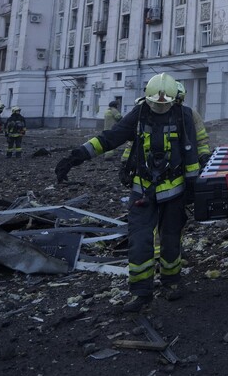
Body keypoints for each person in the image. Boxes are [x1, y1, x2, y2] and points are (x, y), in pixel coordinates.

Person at [55, 73, 202, 312]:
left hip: (174, 190)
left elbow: (191, 151)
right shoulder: (140, 114)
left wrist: (193, 185)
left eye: (164, 104)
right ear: (147, 98)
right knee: (139, 241)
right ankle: (141, 293)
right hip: (143, 190)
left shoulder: (183, 116)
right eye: (155, 103)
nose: (159, 107)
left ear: (174, 100)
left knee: (170, 240)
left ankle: (172, 282)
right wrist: (76, 156)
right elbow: (110, 138)